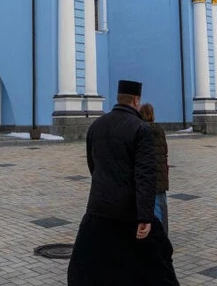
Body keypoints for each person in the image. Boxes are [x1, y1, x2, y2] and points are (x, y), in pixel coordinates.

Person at [68, 80, 179, 286]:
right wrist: (145, 217)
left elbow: (93, 166)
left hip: (99, 208)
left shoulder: (96, 126)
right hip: (129, 211)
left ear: (119, 99)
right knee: (153, 267)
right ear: (136, 100)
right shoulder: (141, 129)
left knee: (100, 264)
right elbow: (145, 176)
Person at [139, 103, 169, 232]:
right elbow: (164, 151)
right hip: (160, 175)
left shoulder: (140, 130)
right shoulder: (159, 130)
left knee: (147, 206)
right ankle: (163, 233)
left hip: (146, 175)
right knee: (160, 207)